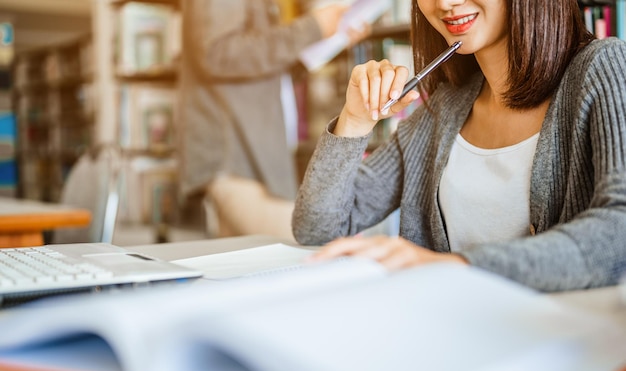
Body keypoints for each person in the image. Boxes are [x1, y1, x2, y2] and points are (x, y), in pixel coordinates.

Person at [292, 0, 626, 291]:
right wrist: (354, 119)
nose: (446, 3)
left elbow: (619, 231)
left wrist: (458, 268)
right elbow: (317, 228)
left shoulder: (603, 67)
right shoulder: (442, 110)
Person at [177, 0, 368, 239]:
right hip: (236, 156)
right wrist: (313, 28)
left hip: (254, 154)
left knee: (251, 266)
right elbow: (217, 53)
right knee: (306, 247)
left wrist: (328, 39)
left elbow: (255, 67)